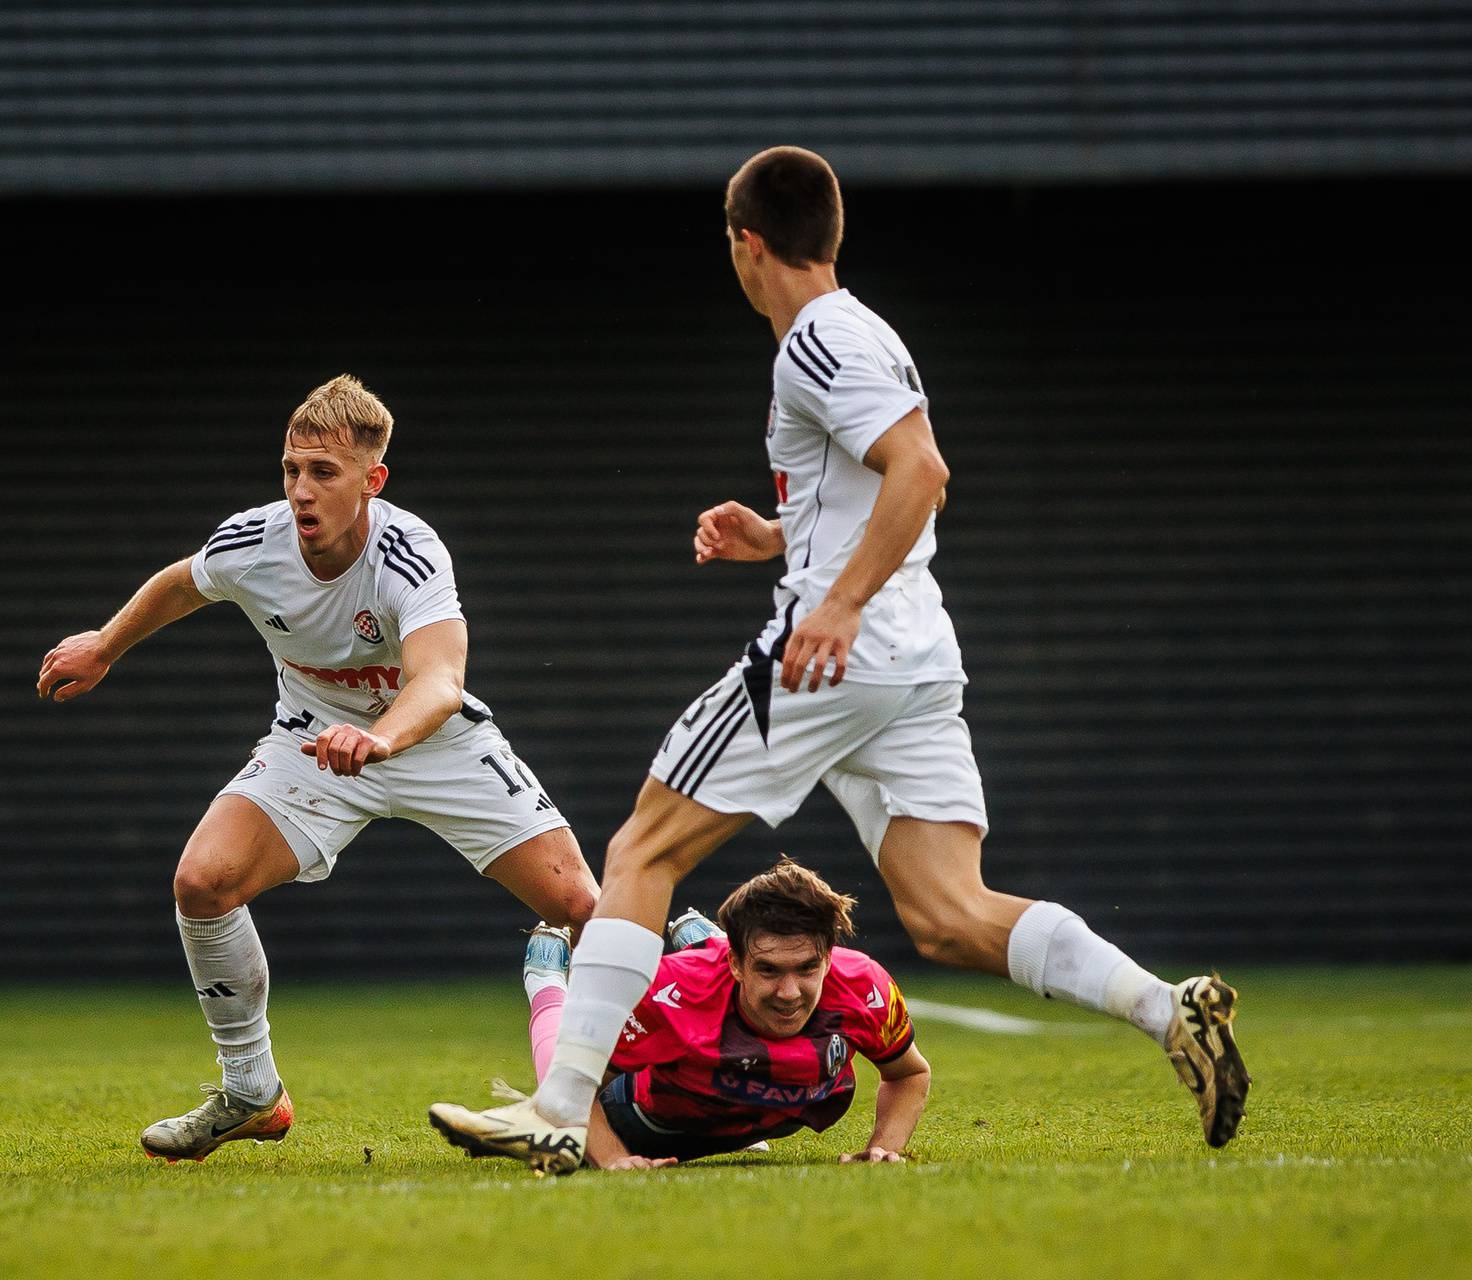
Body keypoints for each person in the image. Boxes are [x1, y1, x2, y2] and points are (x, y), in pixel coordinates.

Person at [428, 147, 1247, 1175]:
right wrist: (779, 534)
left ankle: (558, 1105)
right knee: (951, 912)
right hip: (913, 657)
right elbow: (876, 487)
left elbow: (922, 471)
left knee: (641, 851)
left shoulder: (814, 339)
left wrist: (837, 599)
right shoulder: (864, 333)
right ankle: (1160, 1004)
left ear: (747, 243)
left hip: (836, 653)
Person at [39, 374, 598, 1163]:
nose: (302, 491)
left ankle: (639, 1094)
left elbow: (440, 683)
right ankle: (250, 1093)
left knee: (581, 900)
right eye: (291, 469)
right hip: (311, 745)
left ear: (373, 482)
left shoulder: (409, 552)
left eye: (324, 473)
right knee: (202, 881)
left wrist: (381, 741)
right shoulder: (255, 541)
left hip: (436, 746)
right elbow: (183, 582)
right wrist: (104, 642)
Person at [437, 860, 929, 1170]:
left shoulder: (864, 985)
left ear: (827, 956)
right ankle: (545, 983)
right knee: (559, 1092)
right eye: (768, 968)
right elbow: (577, 1088)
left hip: (748, 1112)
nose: (789, 992)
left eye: (807, 968)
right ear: (738, 962)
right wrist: (613, 1159)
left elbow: (909, 1075)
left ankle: (703, 939)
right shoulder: (668, 994)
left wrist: (886, 1145)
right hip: (649, 1113)